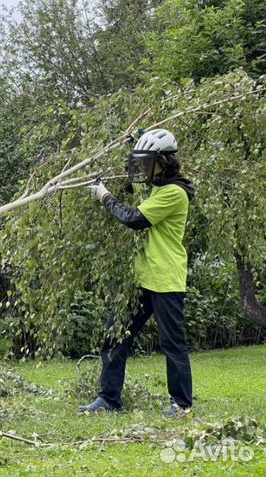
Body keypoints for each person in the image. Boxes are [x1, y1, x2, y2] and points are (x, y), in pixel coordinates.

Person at [79, 128, 195, 417]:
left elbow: (134, 218)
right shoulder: (158, 186)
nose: (142, 168)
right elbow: (137, 191)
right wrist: (136, 143)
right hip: (143, 278)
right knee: (115, 336)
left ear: (164, 161)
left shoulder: (174, 193)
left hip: (166, 279)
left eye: (147, 162)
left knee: (172, 344)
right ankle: (108, 399)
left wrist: (104, 196)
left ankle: (181, 404)